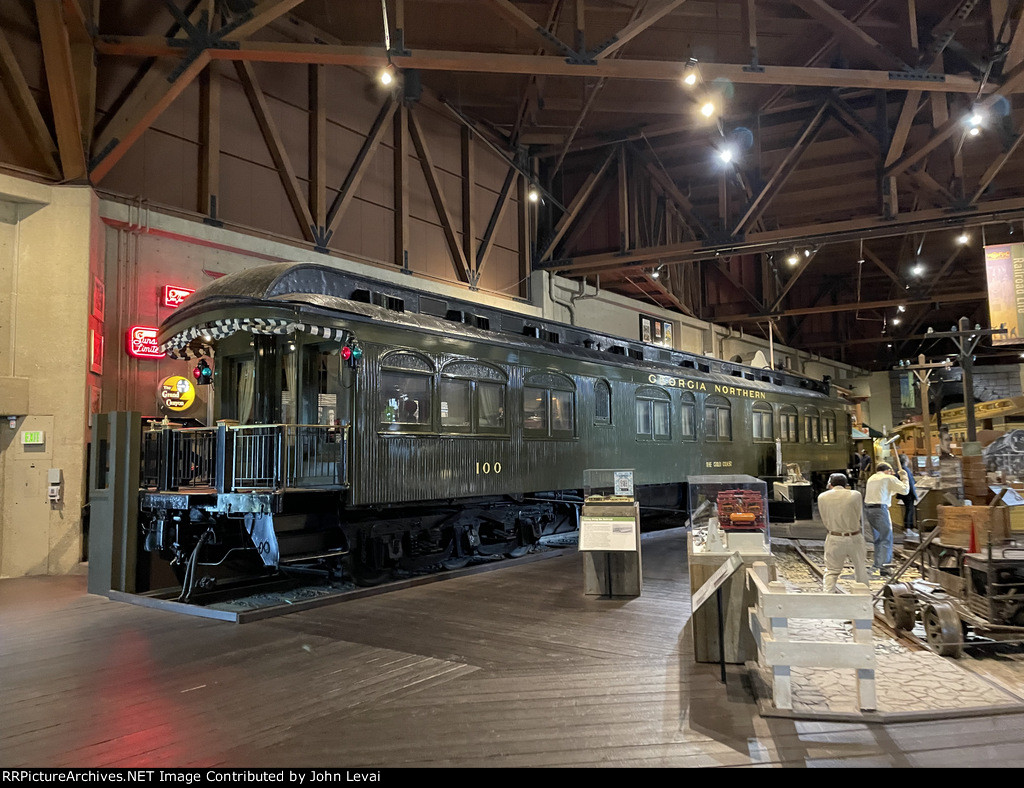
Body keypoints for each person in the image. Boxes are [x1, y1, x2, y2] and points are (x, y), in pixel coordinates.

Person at [817, 472, 869, 593]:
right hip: (854, 536)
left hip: (834, 536)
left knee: (831, 571)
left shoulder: (822, 497)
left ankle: (828, 595)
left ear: (830, 484)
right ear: (846, 484)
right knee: (860, 568)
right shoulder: (855, 495)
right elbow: (859, 513)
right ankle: (864, 595)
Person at [863, 461, 910, 576]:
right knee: (886, 538)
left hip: (869, 510)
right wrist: (904, 477)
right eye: (891, 472)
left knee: (878, 539)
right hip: (880, 509)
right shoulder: (888, 478)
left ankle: (877, 564)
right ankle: (885, 567)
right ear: (888, 470)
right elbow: (905, 490)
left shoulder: (872, 478)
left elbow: (890, 491)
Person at [895, 452, 917, 536]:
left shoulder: (898, 469)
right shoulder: (905, 470)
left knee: (908, 510)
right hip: (908, 493)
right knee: (909, 510)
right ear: (905, 461)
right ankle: (908, 528)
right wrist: (914, 494)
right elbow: (911, 482)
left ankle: (908, 527)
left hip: (903, 493)